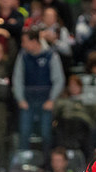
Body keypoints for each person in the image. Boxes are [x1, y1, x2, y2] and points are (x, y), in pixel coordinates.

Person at [12, 28, 65, 162]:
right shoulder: (23, 56)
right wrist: (20, 99)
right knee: (24, 133)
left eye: (25, 41)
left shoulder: (50, 55)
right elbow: (17, 79)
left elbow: (59, 80)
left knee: (46, 135)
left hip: (45, 101)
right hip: (27, 101)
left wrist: (52, 100)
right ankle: (23, 164)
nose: (22, 45)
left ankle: (46, 165)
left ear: (34, 41)